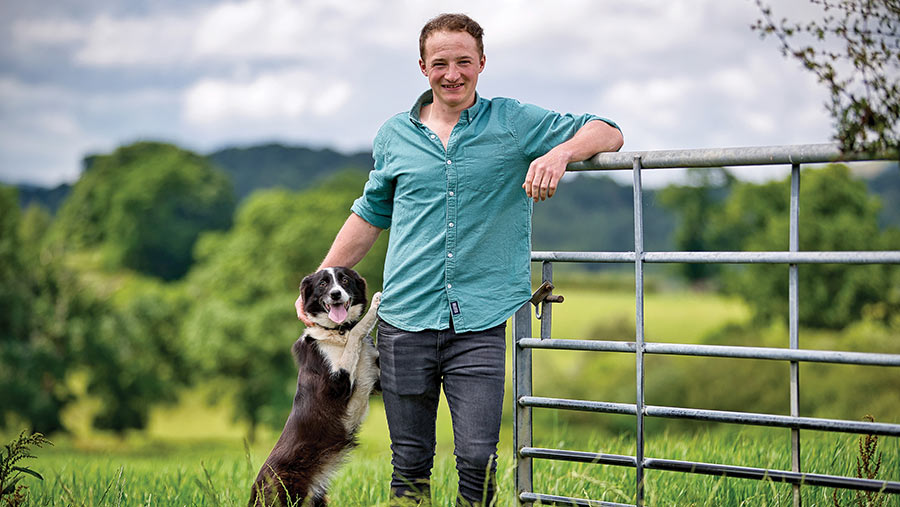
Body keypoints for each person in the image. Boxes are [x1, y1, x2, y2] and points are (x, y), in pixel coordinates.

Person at [296, 13, 623, 506]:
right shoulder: (394, 135)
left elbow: (609, 131)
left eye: (464, 61)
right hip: (405, 320)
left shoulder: (512, 122)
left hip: (481, 320)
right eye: (441, 62)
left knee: (476, 456)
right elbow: (369, 216)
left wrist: (560, 154)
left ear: (482, 64)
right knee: (409, 458)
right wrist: (318, 285)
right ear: (423, 66)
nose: (453, 73)